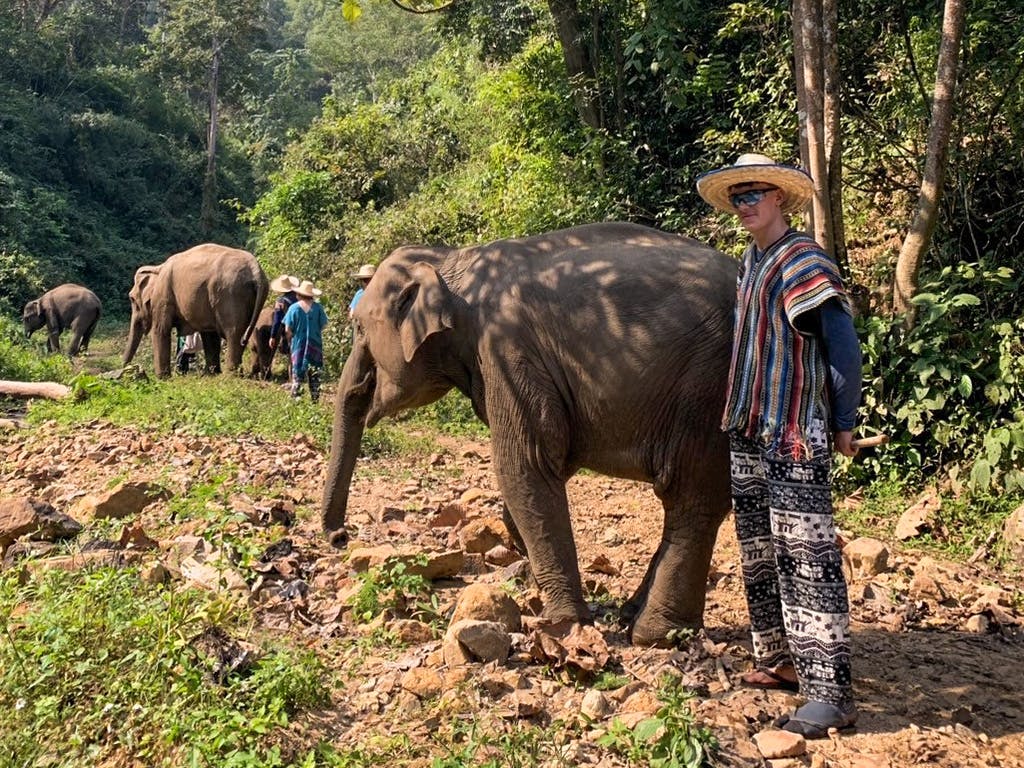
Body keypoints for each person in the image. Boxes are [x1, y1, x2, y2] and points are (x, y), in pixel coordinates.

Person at [696, 153, 863, 739]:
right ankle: (784, 659)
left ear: (780, 201)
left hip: (793, 428)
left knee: (807, 558)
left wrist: (844, 419)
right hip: (751, 424)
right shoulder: (753, 260)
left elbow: (841, 344)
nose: (745, 206)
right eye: (737, 197)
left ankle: (831, 693)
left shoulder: (803, 261)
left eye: (754, 196)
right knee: (762, 549)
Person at [283, 279, 329, 401]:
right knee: (315, 376)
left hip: (298, 346)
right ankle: (315, 400)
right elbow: (324, 325)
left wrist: (291, 340)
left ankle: (296, 400)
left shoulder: (293, 308)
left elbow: (288, 329)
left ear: (299, 295)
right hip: (316, 347)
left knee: (297, 375)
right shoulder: (318, 308)